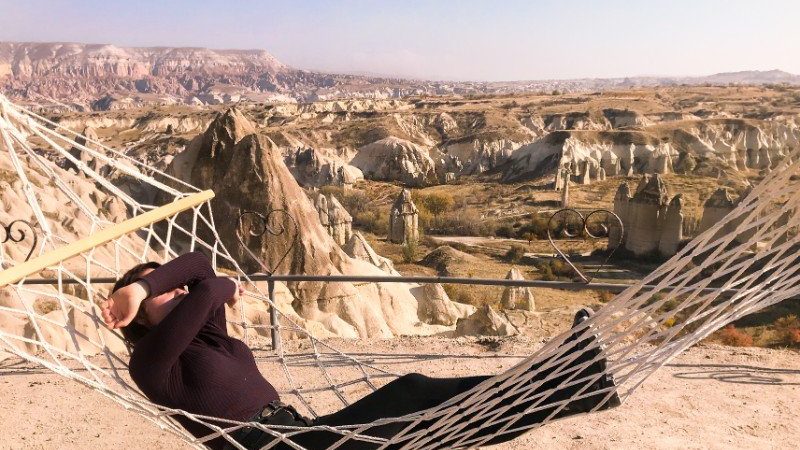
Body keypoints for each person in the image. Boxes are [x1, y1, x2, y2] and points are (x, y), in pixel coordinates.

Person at [102, 251, 620, 450]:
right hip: (275, 448)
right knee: (423, 419)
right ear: (138, 320)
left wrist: (146, 287)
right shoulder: (151, 363)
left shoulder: (204, 335)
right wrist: (142, 291)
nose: (174, 291)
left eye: (167, 284)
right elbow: (212, 287)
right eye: (158, 293)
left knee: (423, 403)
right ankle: (574, 383)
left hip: (300, 433)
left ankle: (574, 382)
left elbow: (200, 266)